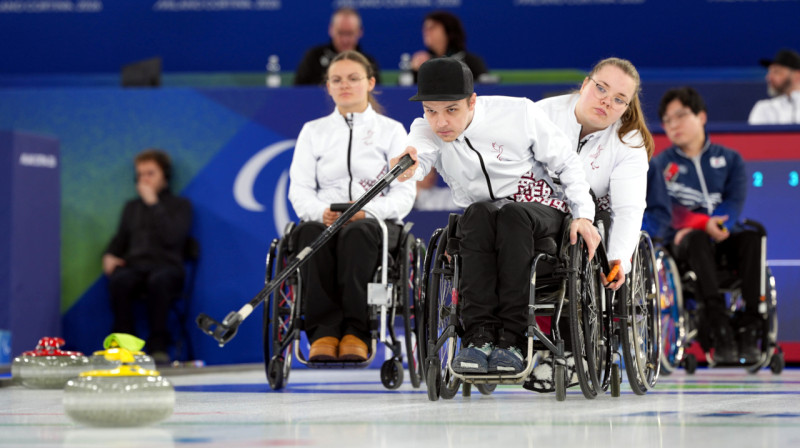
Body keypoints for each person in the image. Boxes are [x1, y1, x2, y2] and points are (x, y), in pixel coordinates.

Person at [391, 58, 600, 376]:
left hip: (540, 208)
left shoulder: (519, 113)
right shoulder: (428, 129)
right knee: (474, 215)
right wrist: (408, 166)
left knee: (512, 215)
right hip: (486, 220)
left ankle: (513, 341)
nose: (441, 122)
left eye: (451, 110)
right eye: (431, 110)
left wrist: (584, 215)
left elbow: (568, 163)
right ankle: (479, 338)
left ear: (472, 101)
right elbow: (419, 154)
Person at [527, 57, 654, 391]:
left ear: (626, 107)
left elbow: (629, 208)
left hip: (593, 219)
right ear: (585, 84)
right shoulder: (541, 114)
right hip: (536, 210)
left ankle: (572, 350)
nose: (606, 102)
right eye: (601, 89)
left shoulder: (629, 140)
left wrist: (619, 259)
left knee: (583, 242)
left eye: (618, 99)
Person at [288, 50, 415, 362]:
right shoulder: (313, 131)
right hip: (326, 218)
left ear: (370, 82)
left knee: (358, 234)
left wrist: (367, 212)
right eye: (337, 80)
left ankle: (358, 332)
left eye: (353, 78)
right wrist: (320, 212)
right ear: (327, 86)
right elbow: (299, 189)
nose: (345, 85)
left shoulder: (392, 130)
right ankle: (323, 333)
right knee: (307, 233)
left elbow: (404, 194)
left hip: (375, 224)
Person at [651, 86, 760, 363]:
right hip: (686, 246)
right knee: (695, 239)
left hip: (724, 237)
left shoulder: (731, 159)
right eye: (667, 120)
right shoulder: (661, 165)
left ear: (701, 116)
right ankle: (717, 322)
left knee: (752, 238)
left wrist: (720, 224)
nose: (673, 125)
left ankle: (749, 324)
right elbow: (665, 209)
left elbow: (735, 200)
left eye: (680, 116)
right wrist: (701, 223)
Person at [103, 149, 192, 363]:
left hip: (167, 268)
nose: (144, 179)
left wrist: (154, 204)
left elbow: (173, 237)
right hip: (135, 267)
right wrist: (110, 255)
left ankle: (158, 347)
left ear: (165, 175)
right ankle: (126, 347)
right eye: (140, 174)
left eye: (150, 173)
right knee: (120, 280)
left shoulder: (180, 206)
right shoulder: (131, 208)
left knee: (158, 281)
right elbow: (120, 240)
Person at [294, 8, 381, 86]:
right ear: (331, 30)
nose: (345, 40)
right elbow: (298, 93)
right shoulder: (314, 57)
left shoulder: (368, 62)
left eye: (350, 33)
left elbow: (376, 96)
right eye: (340, 33)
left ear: (360, 32)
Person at [409, 11, 488, 84]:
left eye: (432, 28)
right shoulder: (422, 62)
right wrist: (416, 72)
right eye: (425, 28)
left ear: (449, 30)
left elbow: (485, 89)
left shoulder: (471, 62)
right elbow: (403, 92)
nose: (426, 32)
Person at [748, 49, 800, 125]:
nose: (769, 77)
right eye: (769, 72)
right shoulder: (764, 108)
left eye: (776, 72)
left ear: (797, 75)